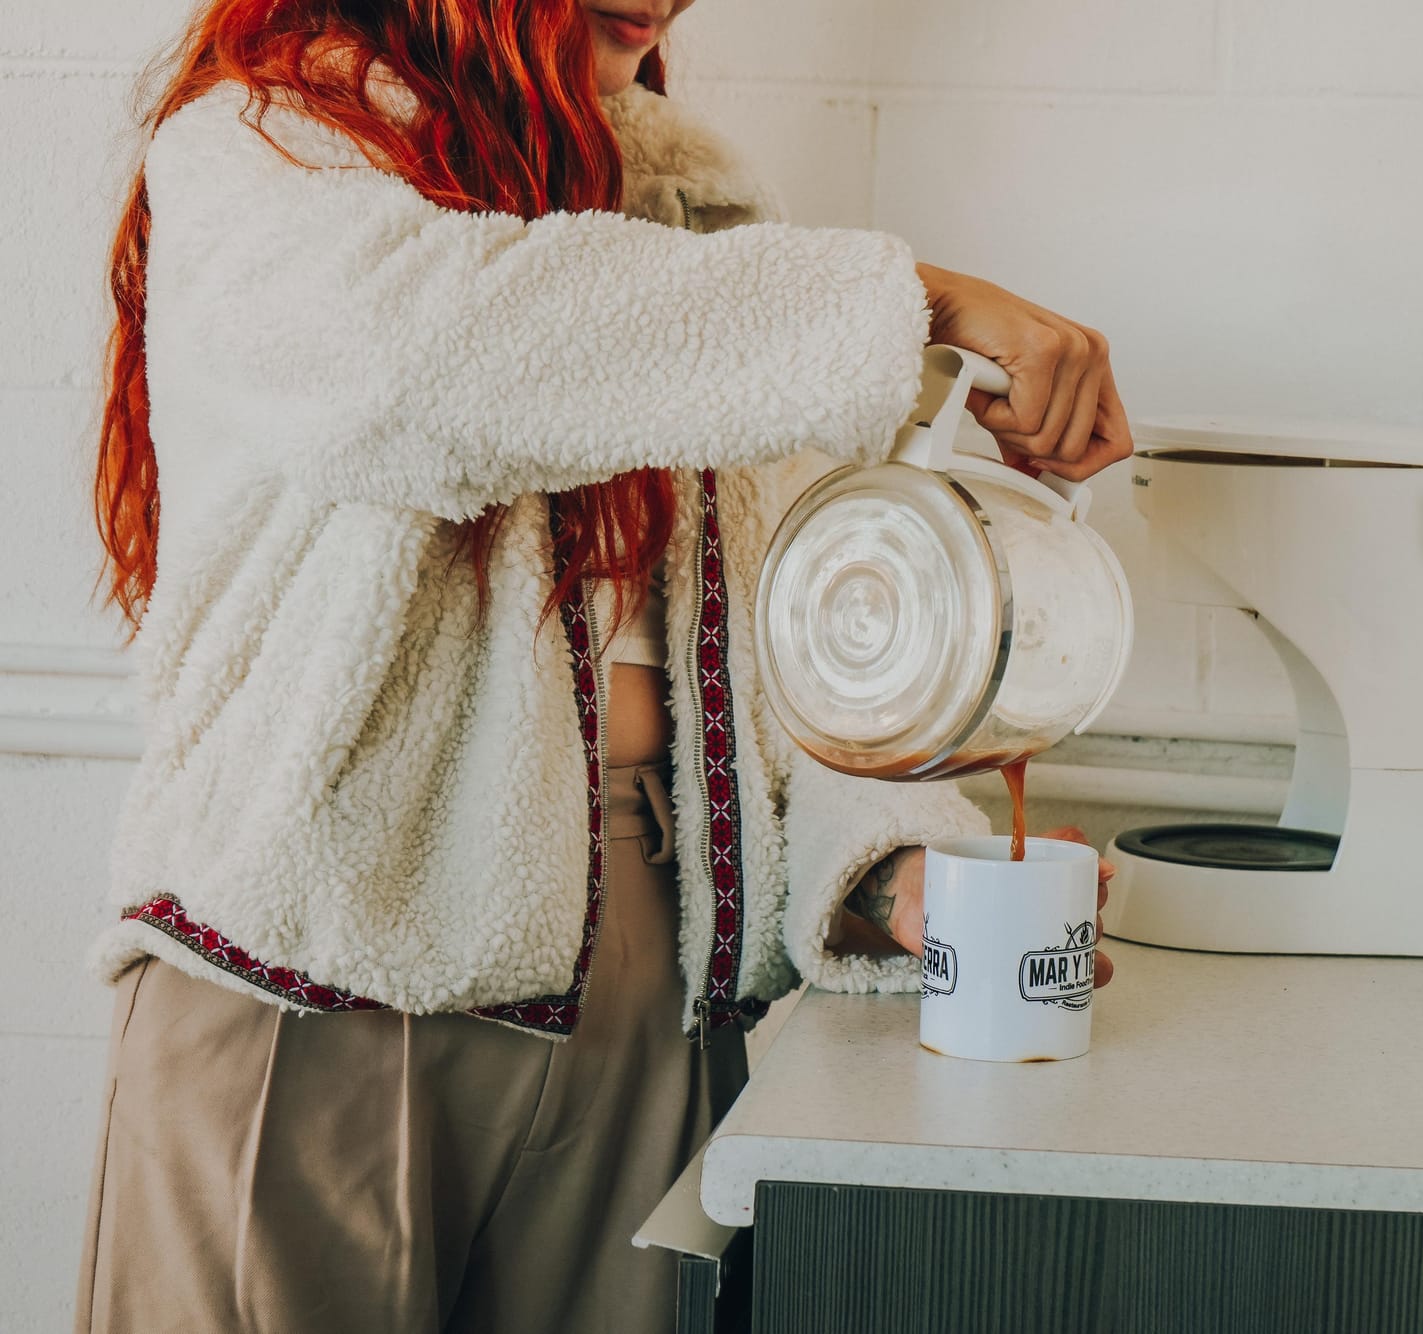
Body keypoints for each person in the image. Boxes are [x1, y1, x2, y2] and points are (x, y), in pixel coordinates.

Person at [75, 2, 1130, 1329]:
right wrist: (909, 299)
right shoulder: (260, 143)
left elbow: (780, 613)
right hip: (310, 973)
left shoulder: (693, 207)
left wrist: (896, 862)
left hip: (644, 984)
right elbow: (422, 365)